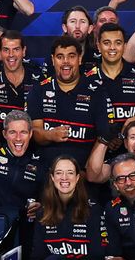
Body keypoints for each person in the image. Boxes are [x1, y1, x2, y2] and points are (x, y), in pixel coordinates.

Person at [30, 36, 100, 169]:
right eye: (60, 57)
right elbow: (35, 131)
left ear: (80, 59)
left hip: (82, 171)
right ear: (52, 60)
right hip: (45, 170)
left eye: (71, 56)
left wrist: (88, 170)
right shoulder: (39, 90)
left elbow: (102, 137)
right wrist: (50, 135)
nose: (65, 61)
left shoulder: (96, 91)